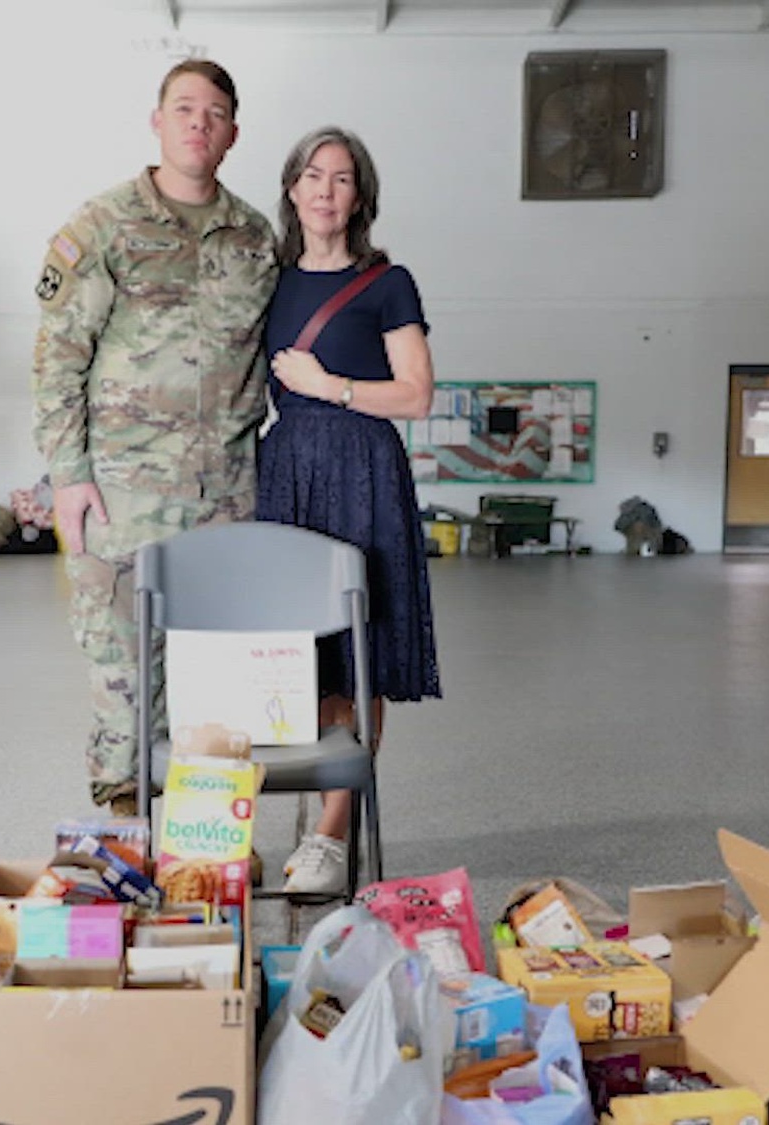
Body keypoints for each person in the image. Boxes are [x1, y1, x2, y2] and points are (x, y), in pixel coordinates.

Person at [31, 60, 279, 813]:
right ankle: (126, 834)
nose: (198, 122)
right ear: (157, 121)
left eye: (214, 112)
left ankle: (210, 842)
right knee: (124, 676)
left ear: (233, 132)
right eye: (183, 108)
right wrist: (67, 475)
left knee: (222, 677)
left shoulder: (255, 237)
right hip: (122, 497)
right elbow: (57, 356)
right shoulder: (103, 226)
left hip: (228, 498)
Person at [257, 126, 441, 895]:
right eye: (312, 175)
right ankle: (302, 805)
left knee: (360, 640)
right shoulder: (266, 277)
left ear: (359, 194)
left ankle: (331, 833)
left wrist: (326, 383)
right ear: (292, 189)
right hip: (288, 468)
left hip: (363, 465)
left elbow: (417, 394)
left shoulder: (387, 281)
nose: (325, 189)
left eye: (341, 178)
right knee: (301, 647)